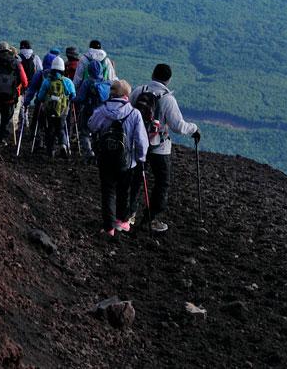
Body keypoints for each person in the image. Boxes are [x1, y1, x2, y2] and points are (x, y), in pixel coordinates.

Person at [130, 63, 200, 233]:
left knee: (136, 179)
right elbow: (178, 126)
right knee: (162, 182)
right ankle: (151, 219)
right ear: (168, 80)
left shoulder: (139, 91)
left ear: (152, 74)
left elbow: (129, 112)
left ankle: (129, 215)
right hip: (159, 147)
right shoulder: (168, 99)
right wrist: (194, 128)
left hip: (137, 144)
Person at [89, 79, 148, 235]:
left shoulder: (102, 111)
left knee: (108, 191)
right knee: (124, 191)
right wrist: (141, 158)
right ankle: (121, 222)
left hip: (105, 158)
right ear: (126, 95)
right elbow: (141, 140)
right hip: (126, 162)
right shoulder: (134, 113)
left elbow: (91, 125)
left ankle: (108, 227)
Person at [0, 42, 28, 144]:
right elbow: (24, 81)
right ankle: (2, 139)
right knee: (6, 119)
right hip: (10, 97)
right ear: (8, 50)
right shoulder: (16, 63)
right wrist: (17, 88)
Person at [35, 56, 76, 158]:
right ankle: (63, 145)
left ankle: (51, 151)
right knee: (61, 128)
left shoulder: (47, 81)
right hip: (63, 110)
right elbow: (73, 95)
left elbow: (40, 97)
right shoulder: (67, 82)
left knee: (50, 128)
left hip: (49, 110)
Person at [76, 53, 113, 160]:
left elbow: (81, 98)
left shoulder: (87, 82)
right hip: (103, 113)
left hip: (88, 111)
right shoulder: (107, 83)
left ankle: (89, 152)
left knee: (85, 133)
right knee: (100, 133)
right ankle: (99, 152)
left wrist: (73, 98)